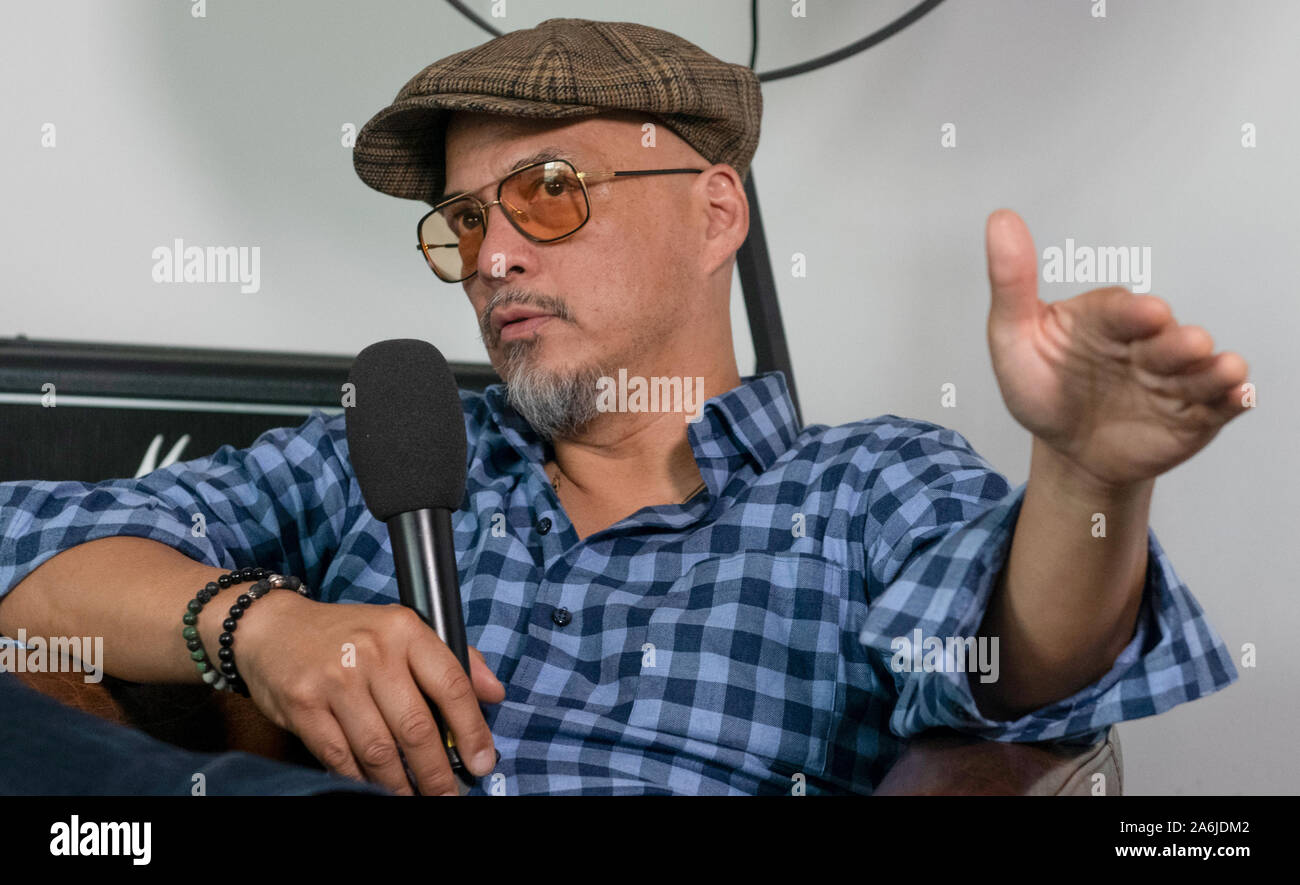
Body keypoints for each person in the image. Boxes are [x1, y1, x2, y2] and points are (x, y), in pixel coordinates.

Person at [0, 17, 1248, 796]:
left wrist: (1089, 483)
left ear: (714, 213)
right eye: (466, 220)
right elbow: (32, 552)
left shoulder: (868, 483)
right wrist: (256, 628)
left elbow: (1023, 671)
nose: (492, 256)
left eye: (546, 193)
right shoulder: (393, 450)